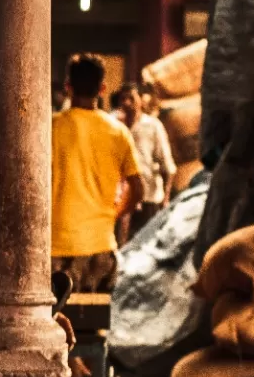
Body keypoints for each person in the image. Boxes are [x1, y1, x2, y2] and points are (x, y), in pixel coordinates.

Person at [51, 53, 143, 293]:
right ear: (102, 89)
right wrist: (114, 214)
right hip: (101, 248)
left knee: (53, 326)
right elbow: (137, 189)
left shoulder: (49, 127)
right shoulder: (118, 132)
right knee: (96, 323)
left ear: (68, 87)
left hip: (55, 249)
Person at [110, 81, 176, 238]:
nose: (127, 103)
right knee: (121, 245)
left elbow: (168, 166)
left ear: (141, 100)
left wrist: (165, 199)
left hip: (149, 198)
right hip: (121, 198)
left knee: (146, 244)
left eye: (131, 98)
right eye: (123, 99)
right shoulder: (113, 125)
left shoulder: (152, 126)